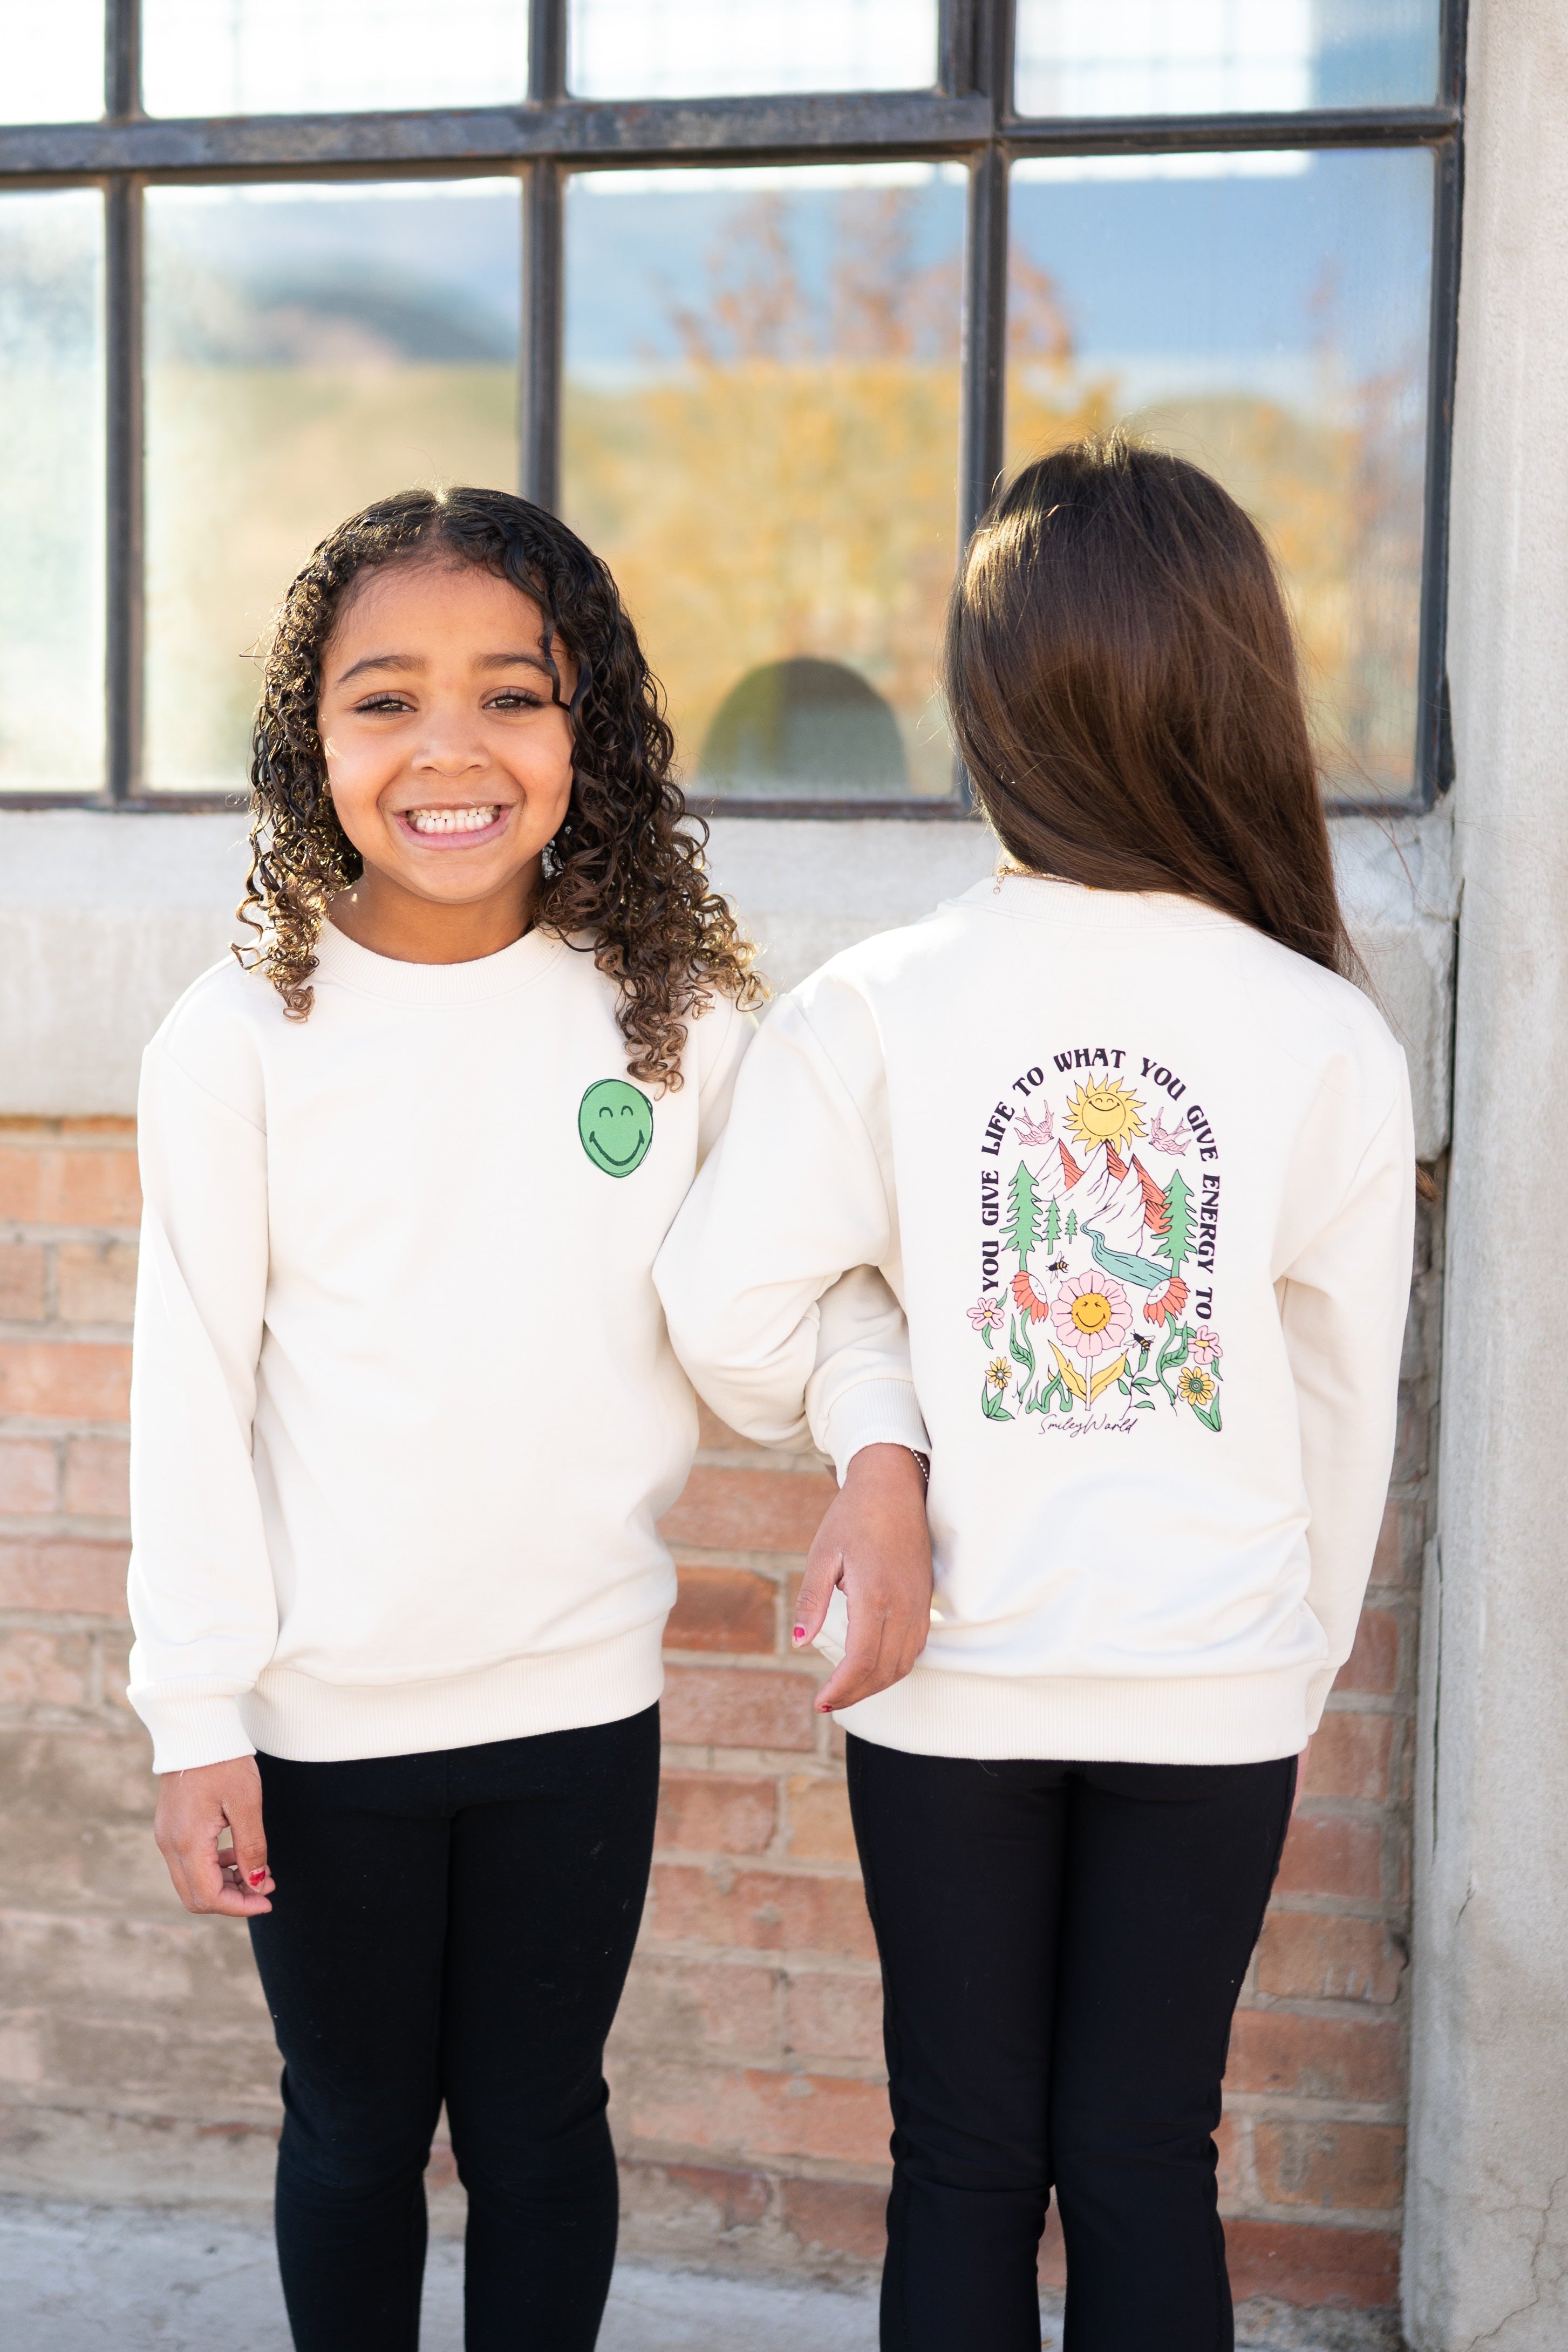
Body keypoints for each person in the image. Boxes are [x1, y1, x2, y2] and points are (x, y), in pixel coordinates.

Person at [126, 485, 921, 2352]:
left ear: (593, 727)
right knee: (352, 2130)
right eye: (384, 700)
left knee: (542, 2125)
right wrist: (195, 1720)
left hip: (576, 1705)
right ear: (307, 740)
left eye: (513, 693)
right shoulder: (237, 1040)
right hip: (322, 1733)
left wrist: (879, 1451)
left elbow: (807, 1291)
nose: (450, 751)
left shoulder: (675, 1017)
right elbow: (192, 1396)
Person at [656, 438, 1416, 2352]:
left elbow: (725, 1303)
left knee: (968, 2161)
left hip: (951, 1681)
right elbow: (1343, 1401)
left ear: (988, 703)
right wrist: (1283, 1651)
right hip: (1216, 1665)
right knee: (1150, 2152)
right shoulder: (1325, 1029)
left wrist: (878, 1425)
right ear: (1234, 689)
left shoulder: (879, 1005)